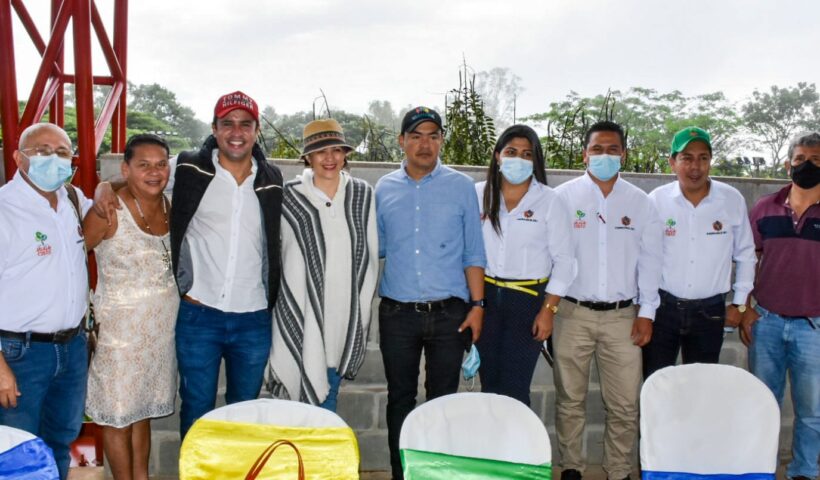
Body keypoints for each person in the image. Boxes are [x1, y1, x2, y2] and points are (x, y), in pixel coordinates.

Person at [94, 91, 283, 439]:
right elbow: (146, 178)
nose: (236, 132)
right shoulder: (190, 167)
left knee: (244, 410)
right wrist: (105, 186)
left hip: (253, 316)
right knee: (197, 407)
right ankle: (194, 468)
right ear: (214, 128)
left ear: (256, 131)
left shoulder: (272, 178)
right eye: (227, 123)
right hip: (199, 315)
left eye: (245, 124)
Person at [376, 106, 486, 479]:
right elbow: (376, 247)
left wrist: (478, 306)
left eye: (433, 136)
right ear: (402, 141)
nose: (425, 144)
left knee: (442, 403)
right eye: (416, 136)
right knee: (400, 399)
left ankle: (436, 474)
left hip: (449, 314)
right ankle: (402, 473)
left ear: (441, 140)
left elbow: (473, 252)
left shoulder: (461, 187)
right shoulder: (384, 189)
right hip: (397, 314)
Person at [553, 120, 662, 480]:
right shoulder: (563, 198)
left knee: (625, 404)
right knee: (570, 399)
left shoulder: (640, 202)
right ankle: (572, 466)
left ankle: (618, 470)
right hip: (572, 313)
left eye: (612, 149)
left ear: (623, 154)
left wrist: (646, 312)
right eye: (597, 149)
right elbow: (554, 255)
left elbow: (651, 261)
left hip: (622, 317)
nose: (604, 156)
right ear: (584, 154)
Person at [82, 134, 178, 479]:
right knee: (118, 416)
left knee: (141, 413)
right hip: (119, 338)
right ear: (126, 169)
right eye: (143, 165)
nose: (154, 172)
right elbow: (71, 260)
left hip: (159, 336)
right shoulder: (107, 211)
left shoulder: (171, 205)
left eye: (161, 164)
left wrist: (106, 183)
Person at [267, 118, 378, 412]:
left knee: (328, 397)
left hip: (342, 315)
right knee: (293, 409)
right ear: (308, 157)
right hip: (301, 312)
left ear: (345, 155)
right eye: (320, 151)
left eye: (336, 150)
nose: (329, 158)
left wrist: (360, 313)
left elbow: (368, 258)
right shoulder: (288, 196)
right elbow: (280, 255)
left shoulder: (362, 194)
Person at [0, 123, 90, 479]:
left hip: (72, 348)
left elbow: (107, 204)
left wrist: (104, 186)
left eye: (62, 152)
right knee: (18, 451)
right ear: (18, 158)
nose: (53, 159)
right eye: (42, 151)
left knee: (60, 441)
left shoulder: (71, 200)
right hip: (20, 355)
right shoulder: (5, 209)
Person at [643, 127, 756, 379]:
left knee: (702, 386)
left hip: (710, 312)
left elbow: (746, 255)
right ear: (672, 162)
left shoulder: (731, 199)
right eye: (687, 158)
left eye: (703, 158)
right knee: (656, 383)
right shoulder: (656, 200)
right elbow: (645, 259)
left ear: (710, 161)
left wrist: (739, 304)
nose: (695, 166)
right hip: (663, 309)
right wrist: (644, 309)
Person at [475, 124, 575, 406]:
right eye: (511, 152)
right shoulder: (478, 194)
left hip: (528, 302)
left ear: (535, 160)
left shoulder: (549, 200)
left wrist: (548, 311)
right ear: (497, 156)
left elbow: (565, 261)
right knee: (489, 385)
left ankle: (520, 437)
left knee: (516, 389)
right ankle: (492, 437)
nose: (518, 159)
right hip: (485, 299)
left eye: (526, 154)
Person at [741, 131, 820, 480]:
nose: (807, 166)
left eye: (816, 160)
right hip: (767, 322)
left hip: (814, 327)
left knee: (813, 411)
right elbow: (746, 259)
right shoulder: (765, 207)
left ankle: (803, 471)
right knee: (762, 404)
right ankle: (761, 469)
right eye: (801, 159)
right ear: (788, 164)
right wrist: (744, 308)